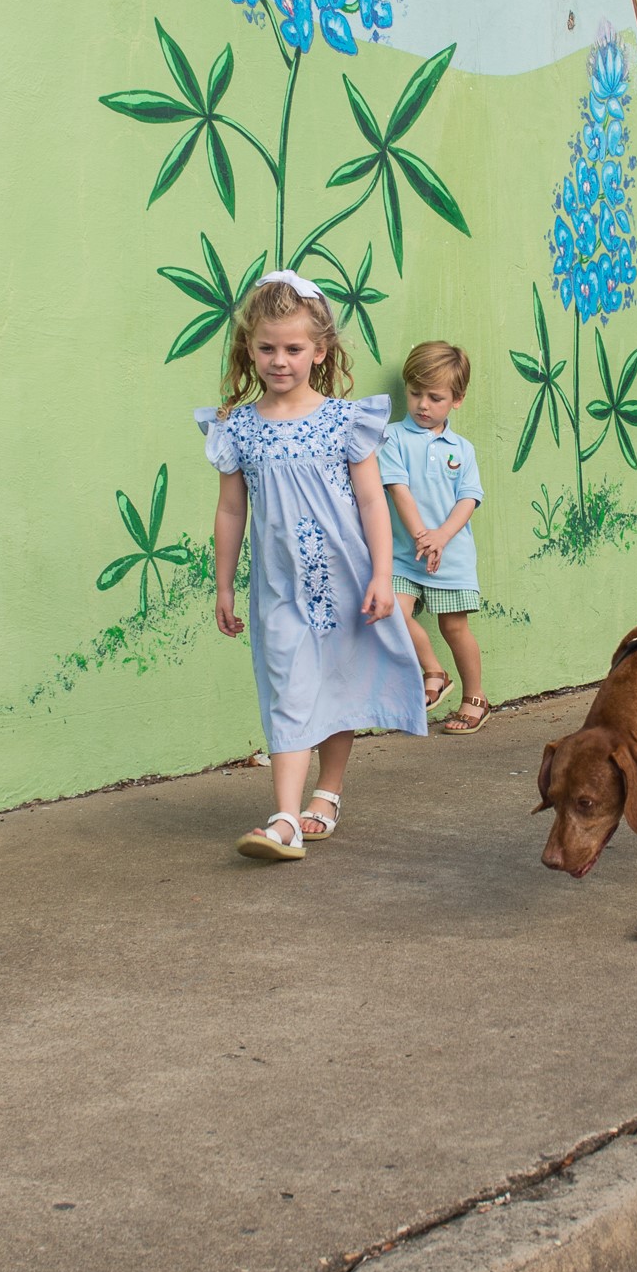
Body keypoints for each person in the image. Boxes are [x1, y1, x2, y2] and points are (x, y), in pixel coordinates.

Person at [203, 269, 429, 860]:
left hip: (346, 580)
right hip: (278, 588)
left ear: (320, 350)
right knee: (289, 686)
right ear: (248, 348)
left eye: (294, 348)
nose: (280, 361)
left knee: (338, 681)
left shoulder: (344, 422)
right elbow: (231, 510)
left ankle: (326, 794)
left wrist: (383, 575)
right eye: (267, 348)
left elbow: (373, 500)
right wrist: (224, 585)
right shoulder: (239, 427)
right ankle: (284, 817)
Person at [381, 338, 488, 729]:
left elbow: (469, 498)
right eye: (415, 393)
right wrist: (422, 537)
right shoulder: (391, 437)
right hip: (403, 554)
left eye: (435, 397)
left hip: (451, 553)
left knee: (454, 626)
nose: (423, 405)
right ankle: (434, 671)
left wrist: (441, 537)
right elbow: (398, 489)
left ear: (456, 400)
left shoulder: (463, 449)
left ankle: (475, 697)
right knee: (390, 611)